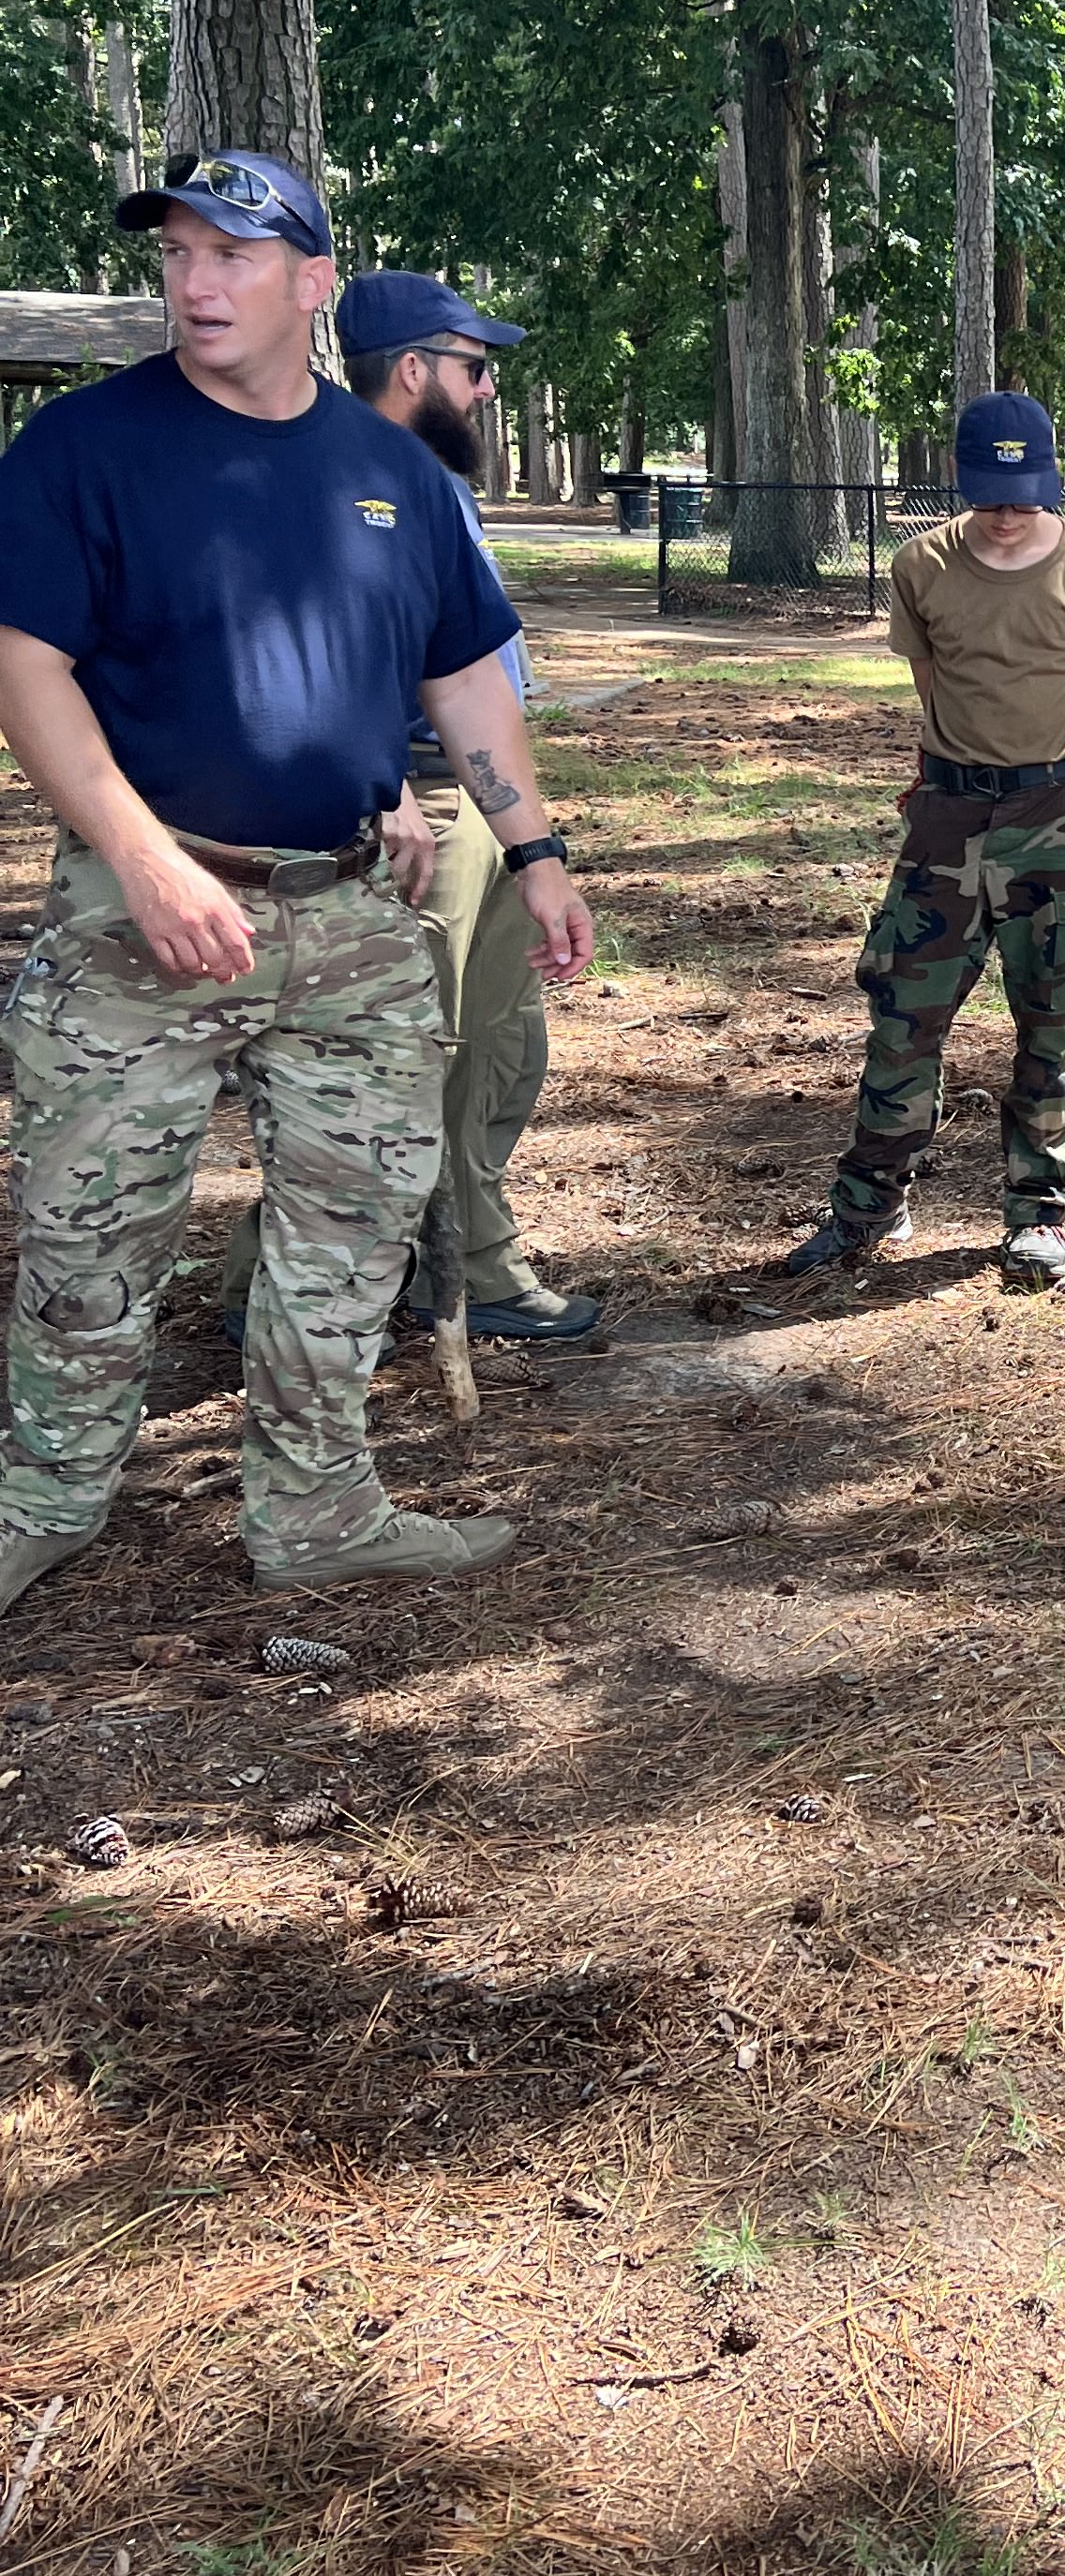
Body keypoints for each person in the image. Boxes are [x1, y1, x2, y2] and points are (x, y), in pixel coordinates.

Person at [0, 152, 596, 1617]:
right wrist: (144, 860)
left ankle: (319, 1510)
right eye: (179, 255)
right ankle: (44, 1501)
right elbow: (26, 669)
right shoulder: (84, 449)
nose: (197, 284)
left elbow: (464, 678)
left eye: (235, 256)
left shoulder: (390, 473)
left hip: (349, 916)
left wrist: (535, 852)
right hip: (144, 917)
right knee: (90, 1236)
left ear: (313, 283)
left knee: (353, 1226)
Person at [218, 271, 601, 1344]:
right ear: (416, 370)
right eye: (474, 368)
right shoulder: (323, 481)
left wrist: (531, 840)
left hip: (473, 801)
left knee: (498, 1049)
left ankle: (460, 1264)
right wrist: (378, 783)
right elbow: (294, 659)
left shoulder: (433, 487)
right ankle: (291, 1285)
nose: (487, 389)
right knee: (386, 1065)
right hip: (402, 809)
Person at [784, 392, 1065, 1288]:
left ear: (1051, 481)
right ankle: (870, 1205)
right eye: (989, 496)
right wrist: (970, 774)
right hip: (947, 819)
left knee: (1052, 1022)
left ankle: (1038, 1216)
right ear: (961, 480)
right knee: (905, 1014)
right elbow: (931, 679)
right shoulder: (923, 565)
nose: (1007, 515)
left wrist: (1054, 772)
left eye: (1024, 497)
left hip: (1058, 817)